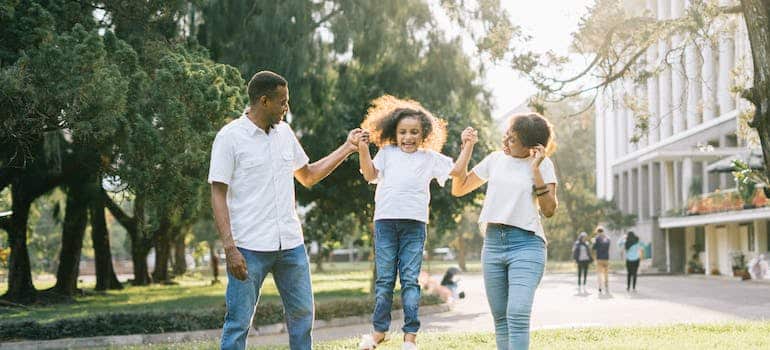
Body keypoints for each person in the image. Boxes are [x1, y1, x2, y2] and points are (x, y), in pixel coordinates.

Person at [208, 71, 365, 350]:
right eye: (283, 102)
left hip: (290, 245)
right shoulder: (230, 138)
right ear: (264, 101)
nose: (287, 108)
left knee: (303, 315)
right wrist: (230, 248)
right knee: (238, 322)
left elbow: (308, 175)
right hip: (248, 247)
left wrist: (347, 148)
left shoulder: (285, 134)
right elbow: (218, 194)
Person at [356, 95, 464, 350]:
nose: (408, 137)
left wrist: (467, 145)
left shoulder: (428, 157)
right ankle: (378, 333)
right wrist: (362, 148)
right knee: (384, 281)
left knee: (409, 281)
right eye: (403, 132)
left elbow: (457, 170)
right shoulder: (387, 153)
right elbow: (370, 174)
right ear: (394, 132)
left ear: (423, 133)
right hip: (385, 224)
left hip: (414, 226)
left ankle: (410, 338)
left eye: (414, 132)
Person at [451, 113, 558, 350]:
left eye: (513, 139)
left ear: (532, 147)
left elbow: (549, 209)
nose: (506, 140)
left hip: (527, 245)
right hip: (493, 244)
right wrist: (467, 148)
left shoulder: (544, 164)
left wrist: (536, 170)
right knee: (501, 320)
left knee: (517, 315)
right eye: (507, 134)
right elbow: (459, 188)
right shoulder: (495, 159)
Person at [592, 227, 611, 294]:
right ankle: (606, 286)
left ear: (597, 232)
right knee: (606, 273)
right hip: (606, 258)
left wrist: (593, 242)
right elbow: (608, 247)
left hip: (599, 258)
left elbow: (593, 248)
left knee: (599, 273)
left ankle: (600, 287)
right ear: (603, 231)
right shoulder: (608, 238)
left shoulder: (596, 239)